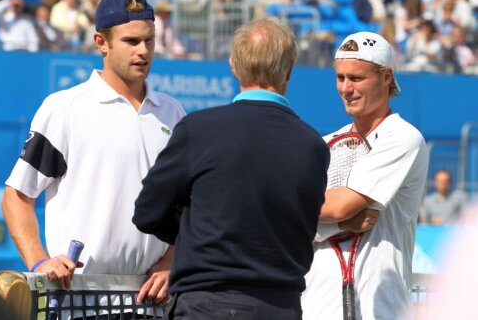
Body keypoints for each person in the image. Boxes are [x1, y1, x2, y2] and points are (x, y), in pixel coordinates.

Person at [133, 16, 330, 320]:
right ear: (290, 70)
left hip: (205, 303)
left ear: (233, 66)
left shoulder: (198, 130)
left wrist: (191, 234)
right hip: (280, 305)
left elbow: (147, 211)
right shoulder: (314, 146)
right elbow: (306, 226)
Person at [1, 0, 185, 316]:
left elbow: (187, 206)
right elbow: (16, 197)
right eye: (131, 41)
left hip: (151, 304)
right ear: (101, 42)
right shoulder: (66, 108)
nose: (143, 51)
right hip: (77, 303)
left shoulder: (173, 113)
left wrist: (171, 260)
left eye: (149, 41)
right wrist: (40, 261)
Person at [302, 31, 429, 319]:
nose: (346, 88)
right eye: (340, 78)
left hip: (379, 307)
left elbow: (337, 205)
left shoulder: (404, 138)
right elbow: (294, 220)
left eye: (357, 78)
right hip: (313, 306)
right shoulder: (324, 144)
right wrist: (340, 223)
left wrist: (325, 215)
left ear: (386, 77)